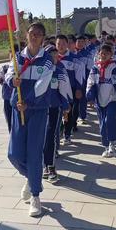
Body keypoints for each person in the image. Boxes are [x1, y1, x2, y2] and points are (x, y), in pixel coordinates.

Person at [6, 22, 54, 217]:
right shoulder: (18, 58)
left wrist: (29, 101)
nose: (34, 37)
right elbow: (9, 73)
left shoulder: (47, 61)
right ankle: (31, 177)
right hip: (18, 109)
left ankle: (35, 196)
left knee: (34, 153)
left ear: (43, 38)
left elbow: (43, 86)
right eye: (31, 33)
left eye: (38, 34)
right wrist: (13, 80)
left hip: (37, 110)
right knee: (14, 154)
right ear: (26, 35)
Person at [86, 43, 116, 157]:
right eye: (102, 53)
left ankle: (112, 144)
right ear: (98, 54)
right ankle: (106, 146)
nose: (104, 55)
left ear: (111, 54)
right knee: (102, 124)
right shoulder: (95, 68)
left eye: (106, 53)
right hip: (99, 99)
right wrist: (90, 97)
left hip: (113, 98)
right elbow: (90, 82)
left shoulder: (115, 67)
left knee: (109, 120)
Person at [43, 45, 72, 183]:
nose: (54, 58)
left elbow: (64, 89)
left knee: (51, 136)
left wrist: (66, 105)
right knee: (41, 137)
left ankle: (51, 166)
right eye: (50, 55)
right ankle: (44, 165)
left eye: (55, 55)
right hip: (40, 109)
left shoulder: (59, 70)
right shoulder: (40, 70)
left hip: (55, 108)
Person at [56, 34, 85, 144]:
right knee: (57, 113)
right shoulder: (52, 58)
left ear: (67, 44)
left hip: (70, 90)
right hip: (55, 91)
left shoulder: (74, 59)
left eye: (63, 44)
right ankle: (58, 133)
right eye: (58, 44)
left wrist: (78, 89)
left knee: (68, 112)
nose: (61, 46)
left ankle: (67, 135)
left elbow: (79, 75)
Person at [0, 44, 20, 132]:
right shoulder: (5, 68)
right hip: (7, 99)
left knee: (18, 120)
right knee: (9, 118)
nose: (12, 55)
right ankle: (11, 133)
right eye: (11, 53)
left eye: (15, 53)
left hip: (18, 99)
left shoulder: (21, 67)